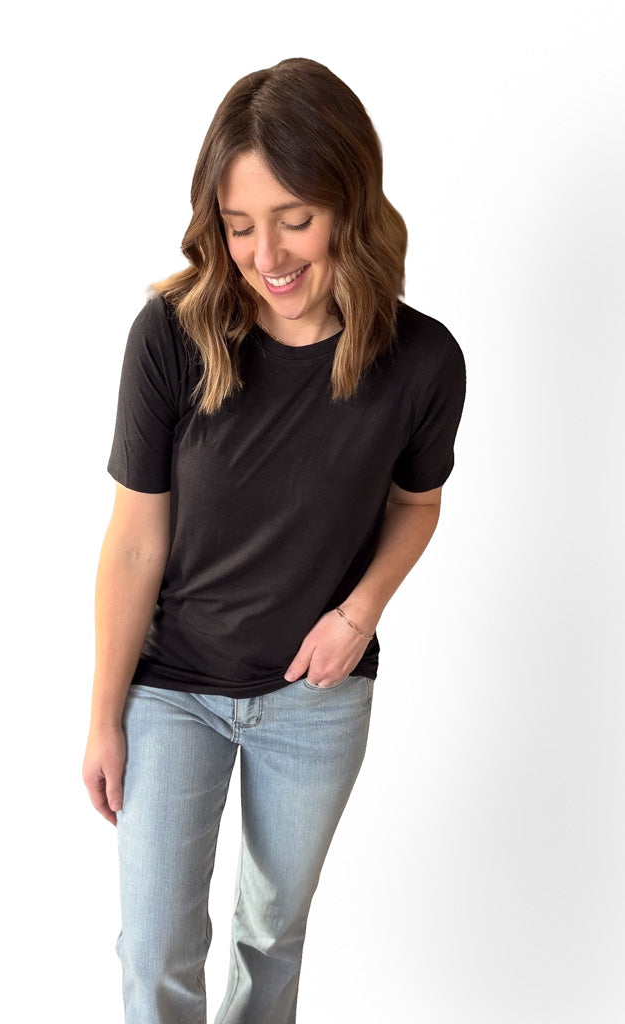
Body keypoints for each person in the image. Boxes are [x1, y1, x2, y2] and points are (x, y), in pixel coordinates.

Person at [82, 56, 466, 1024]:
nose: (267, 253)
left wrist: (356, 612)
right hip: (172, 686)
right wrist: (102, 714)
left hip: (314, 698)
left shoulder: (421, 360)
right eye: (239, 225)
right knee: (156, 943)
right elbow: (133, 541)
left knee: (270, 931)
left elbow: (413, 505)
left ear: (349, 200)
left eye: (293, 218)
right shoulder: (171, 333)